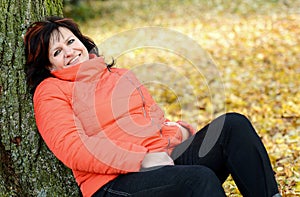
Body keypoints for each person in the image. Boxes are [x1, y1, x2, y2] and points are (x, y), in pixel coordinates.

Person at [24, 16, 281, 197]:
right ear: (49, 66)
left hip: (161, 162)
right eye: (56, 52)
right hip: (114, 183)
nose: (68, 52)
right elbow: (73, 148)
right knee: (198, 179)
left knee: (233, 125)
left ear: (82, 41)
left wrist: (176, 133)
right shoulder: (51, 92)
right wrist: (140, 159)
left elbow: (156, 119)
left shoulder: (119, 75)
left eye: (70, 42)